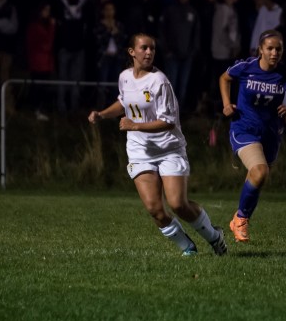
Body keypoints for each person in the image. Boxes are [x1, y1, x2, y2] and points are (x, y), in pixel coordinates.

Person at [87, 33, 228, 256]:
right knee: (155, 209)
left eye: (152, 48)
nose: (149, 52)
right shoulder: (125, 77)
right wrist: (102, 114)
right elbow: (124, 102)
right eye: (143, 48)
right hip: (140, 151)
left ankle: (214, 237)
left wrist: (135, 125)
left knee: (178, 204)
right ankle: (188, 248)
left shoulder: (159, 81)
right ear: (131, 52)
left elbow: (168, 122)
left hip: (168, 148)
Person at [219, 29, 286, 242]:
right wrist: (227, 104)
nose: (274, 53)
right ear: (260, 50)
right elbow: (224, 78)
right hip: (244, 129)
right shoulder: (246, 67)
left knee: (258, 177)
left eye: (278, 49)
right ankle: (241, 219)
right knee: (260, 170)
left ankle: (239, 218)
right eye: (270, 48)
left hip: (271, 133)